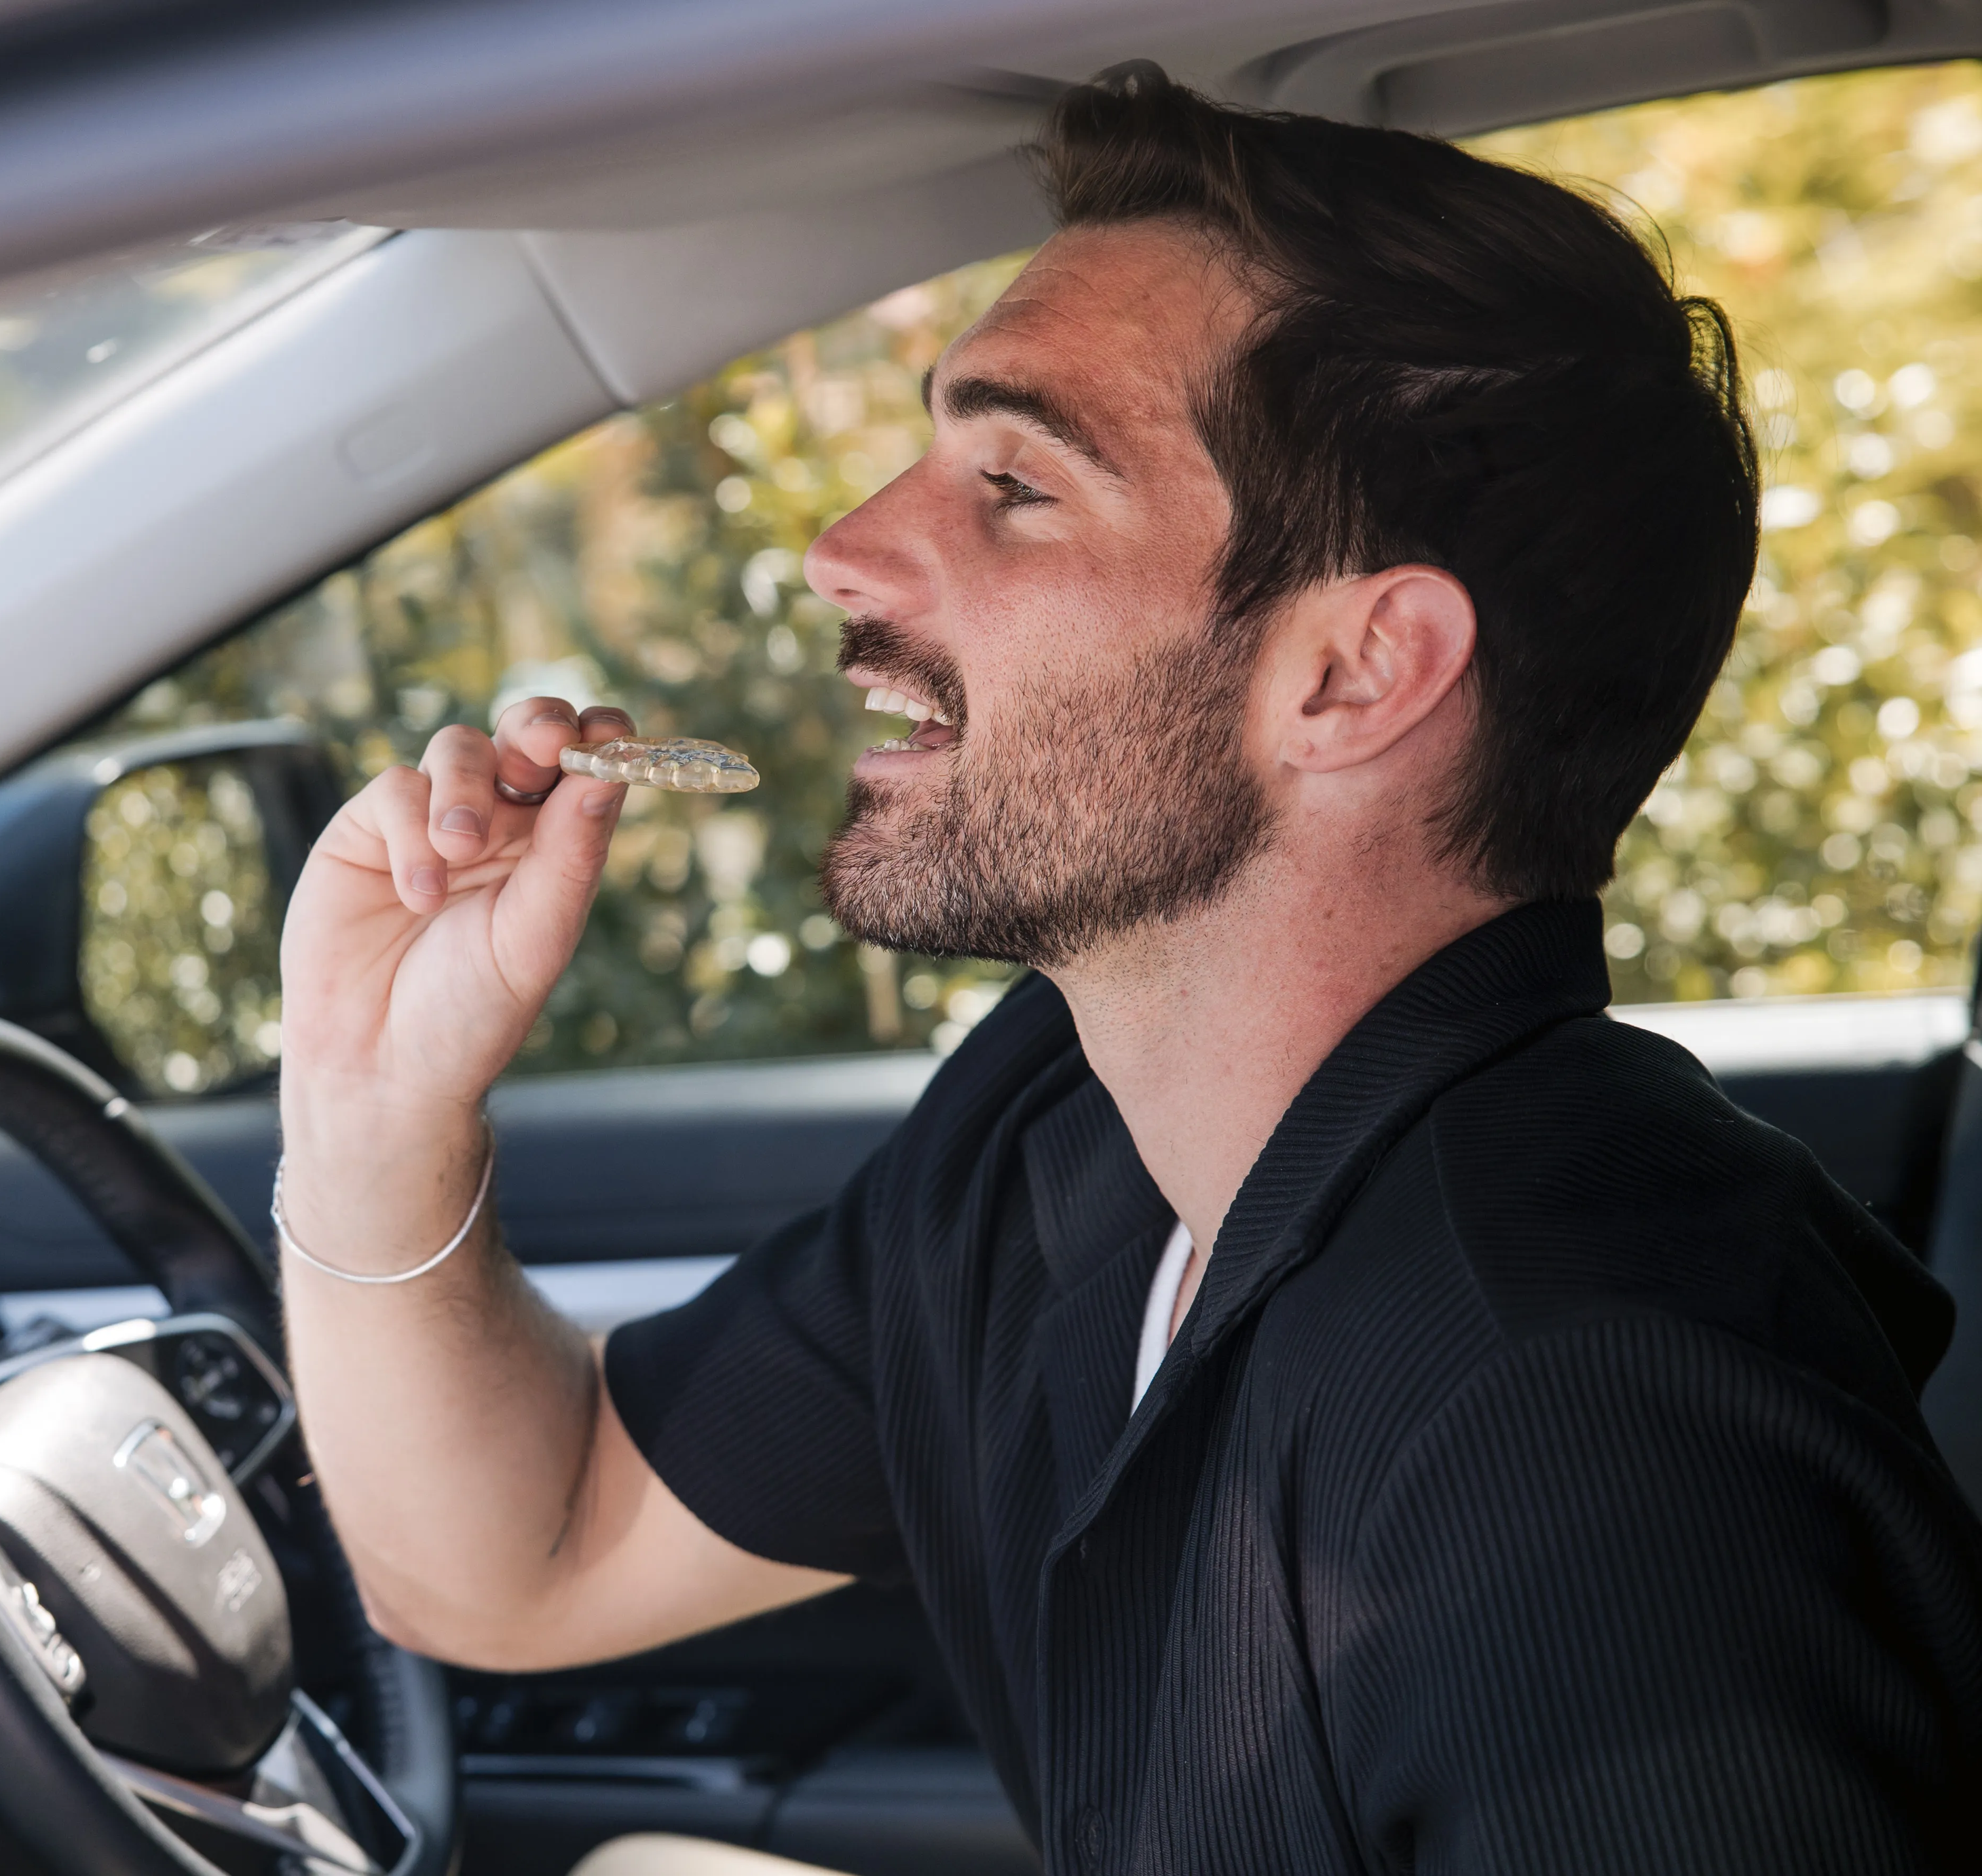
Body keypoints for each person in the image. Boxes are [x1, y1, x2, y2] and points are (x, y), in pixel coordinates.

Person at [270, 64, 1982, 1874]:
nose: (840, 552)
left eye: (1015, 484)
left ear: (1349, 673)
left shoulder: (1576, 1430)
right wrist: (378, 1104)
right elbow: (519, 1554)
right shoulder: (1064, 1127)